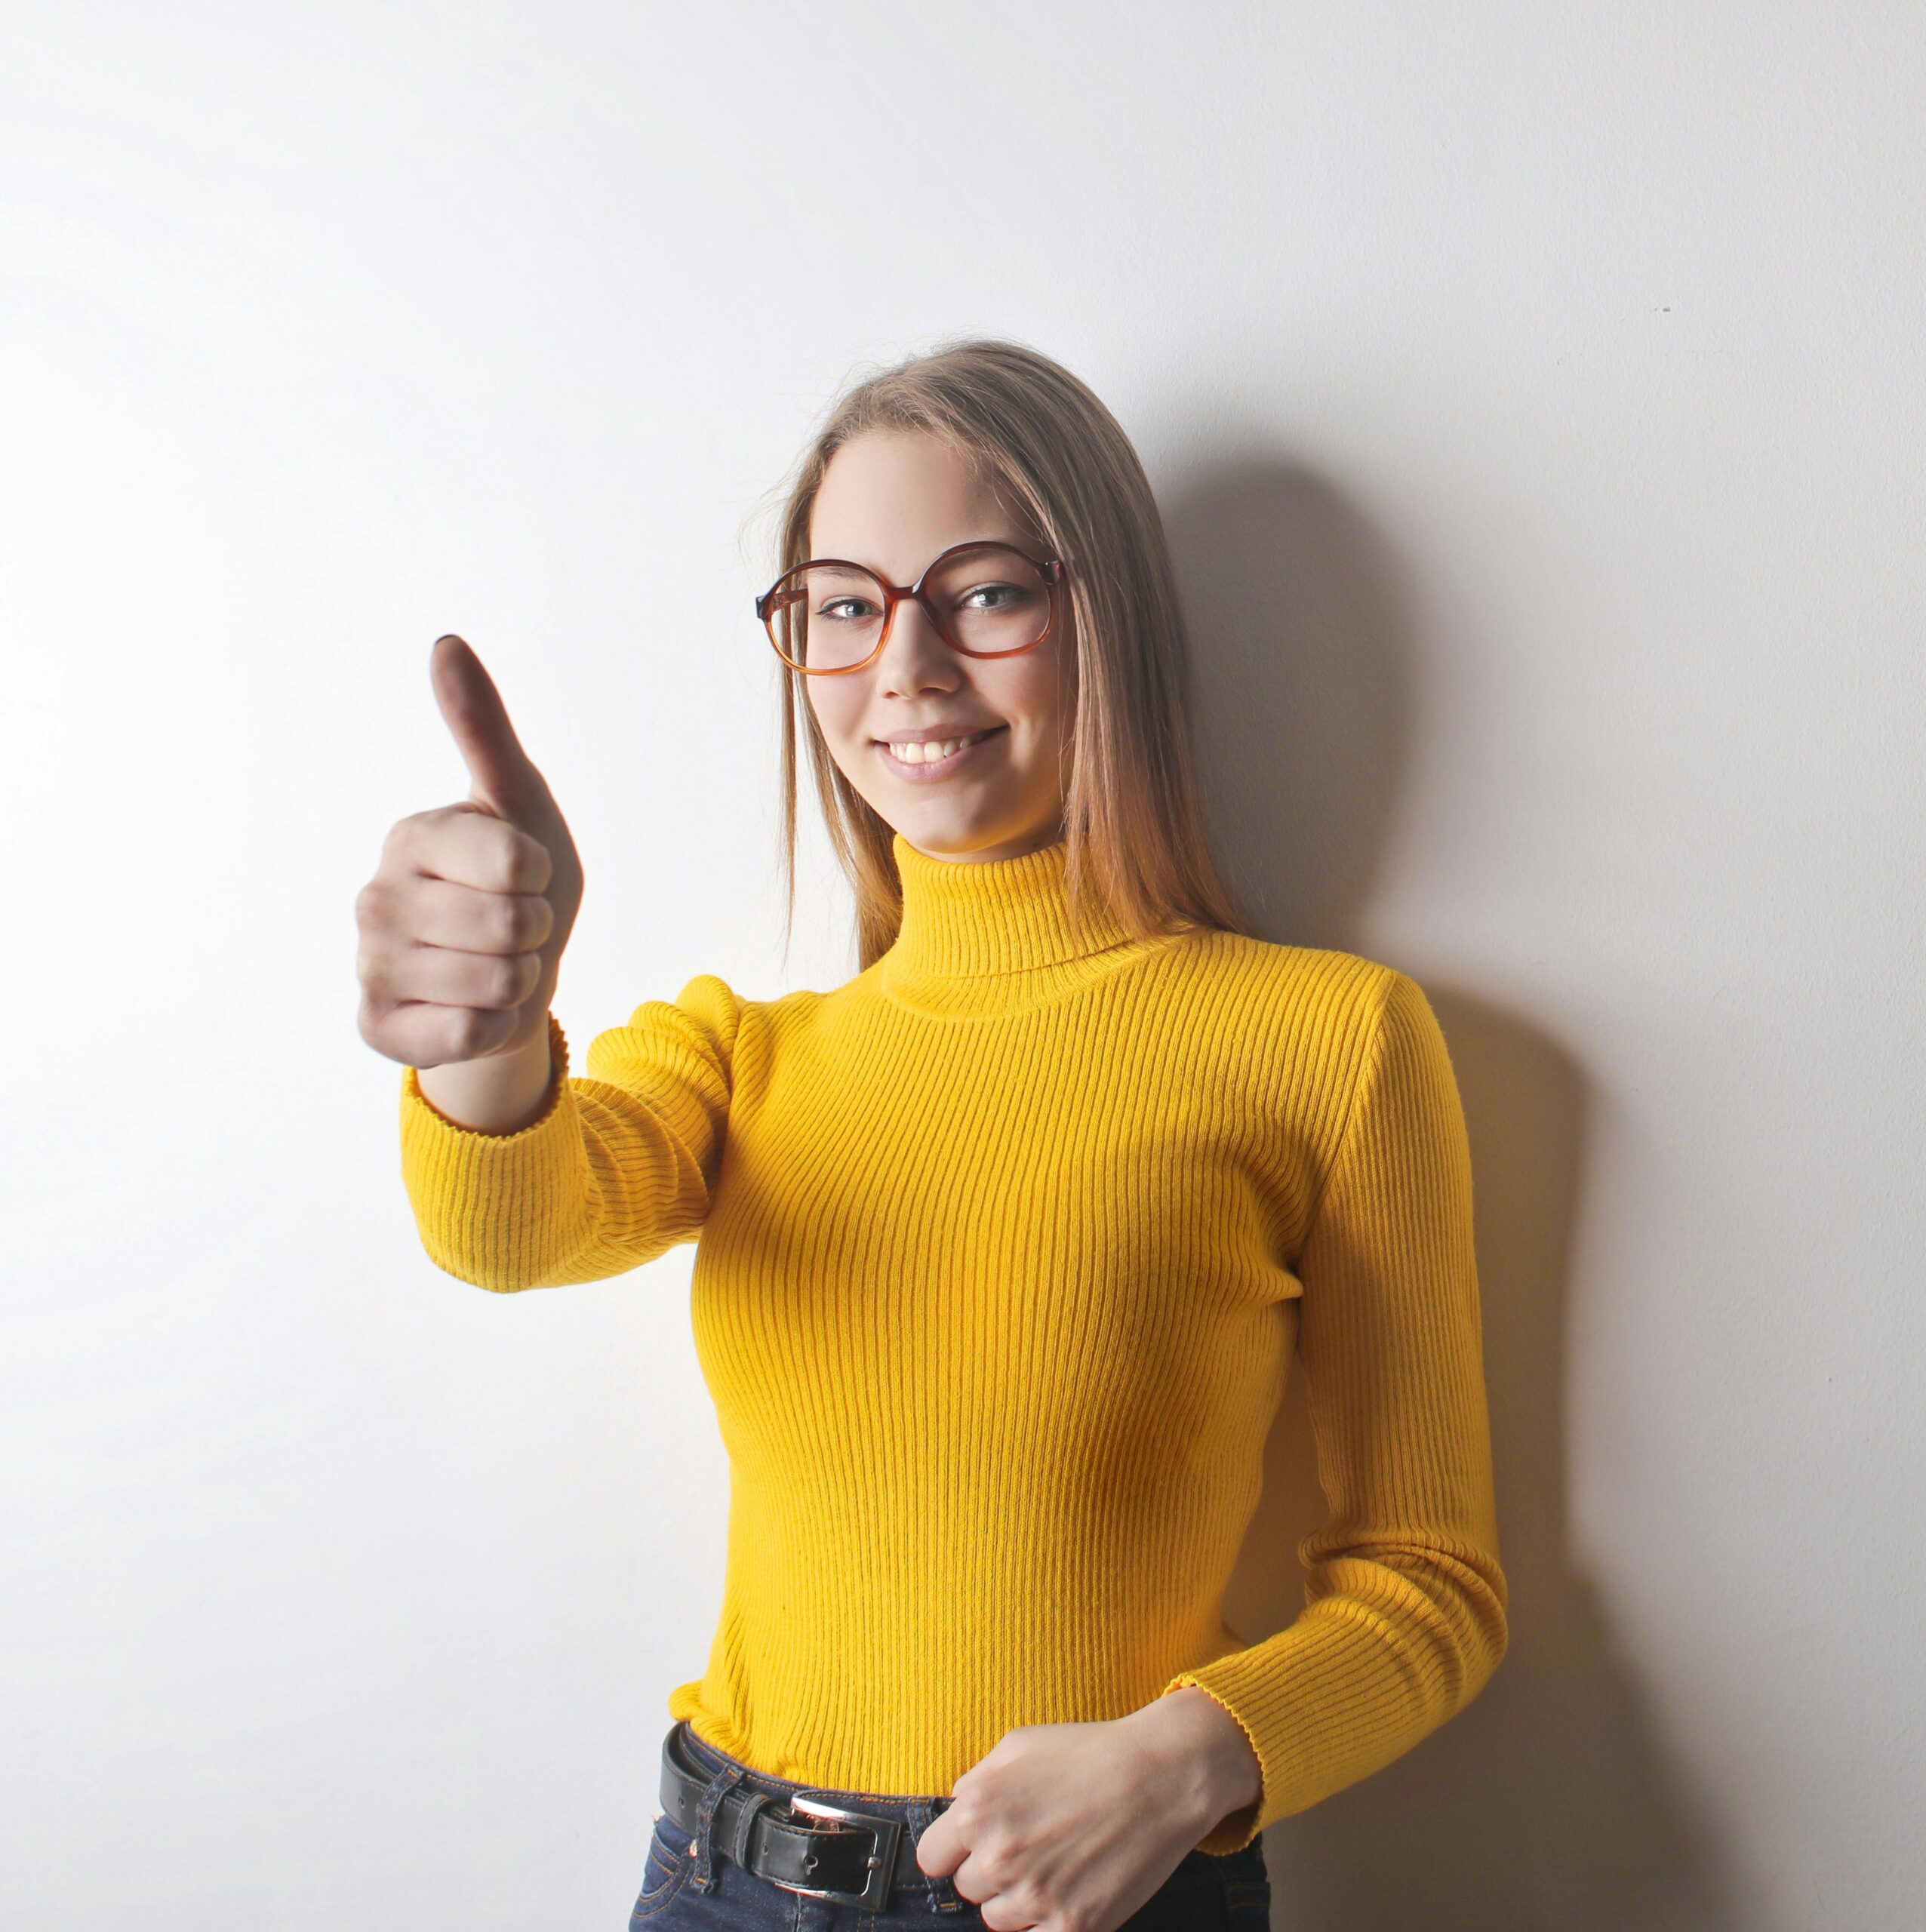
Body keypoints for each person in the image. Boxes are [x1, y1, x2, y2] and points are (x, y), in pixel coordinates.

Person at [355, 339, 1509, 1930]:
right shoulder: (738, 1056)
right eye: (842, 602)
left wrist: (1188, 1760)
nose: (903, 665)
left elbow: (1427, 1582)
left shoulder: (1330, 1040)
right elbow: (511, 1228)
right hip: (723, 1879)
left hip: (1103, 1898)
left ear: (1105, 616)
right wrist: (486, 1037)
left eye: (981, 591)